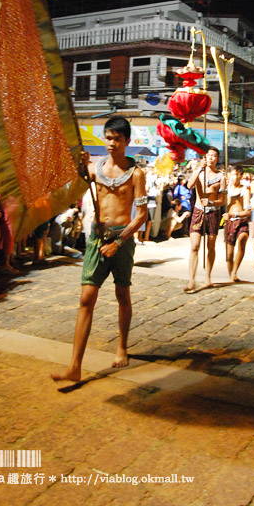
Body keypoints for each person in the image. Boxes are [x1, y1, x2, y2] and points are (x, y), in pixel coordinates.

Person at [51, 115, 148, 383]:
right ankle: (74, 366)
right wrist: (79, 167)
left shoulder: (137, 174)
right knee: (86, 299)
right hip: (96, 238)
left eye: (117, 139)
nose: (111, 143)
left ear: (127, 141)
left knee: (122, 293)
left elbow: (141, 216)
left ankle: (122, 347)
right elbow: (74, 186)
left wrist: (119, 243)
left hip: (122, 240)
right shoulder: (94, 168)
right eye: (108, 138)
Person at [185, 147, 225, 292]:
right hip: (198, 211)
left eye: (213, 156)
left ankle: (208, 277)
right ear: (204, 158)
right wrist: (198, 169)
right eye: (208, 156)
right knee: (195, 246)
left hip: (213, 213)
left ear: (217, 159)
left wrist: (213, 203)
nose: (210, 158)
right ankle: (191, 280)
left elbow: (223, 200)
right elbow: (189, 185)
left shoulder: (221, 177)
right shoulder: (199, 173)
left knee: (211, 246)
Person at [224, 166, 251, 282]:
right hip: (229, 223)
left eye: (236, 174)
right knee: (229, 254)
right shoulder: (226, 189)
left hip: (241, 221)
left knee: (242, 240)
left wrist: (235, 215)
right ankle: (231, 274)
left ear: (240, 176)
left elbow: (248, 211)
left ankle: (235, 271)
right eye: (232, 174)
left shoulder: (245, 190)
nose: (233, 177)